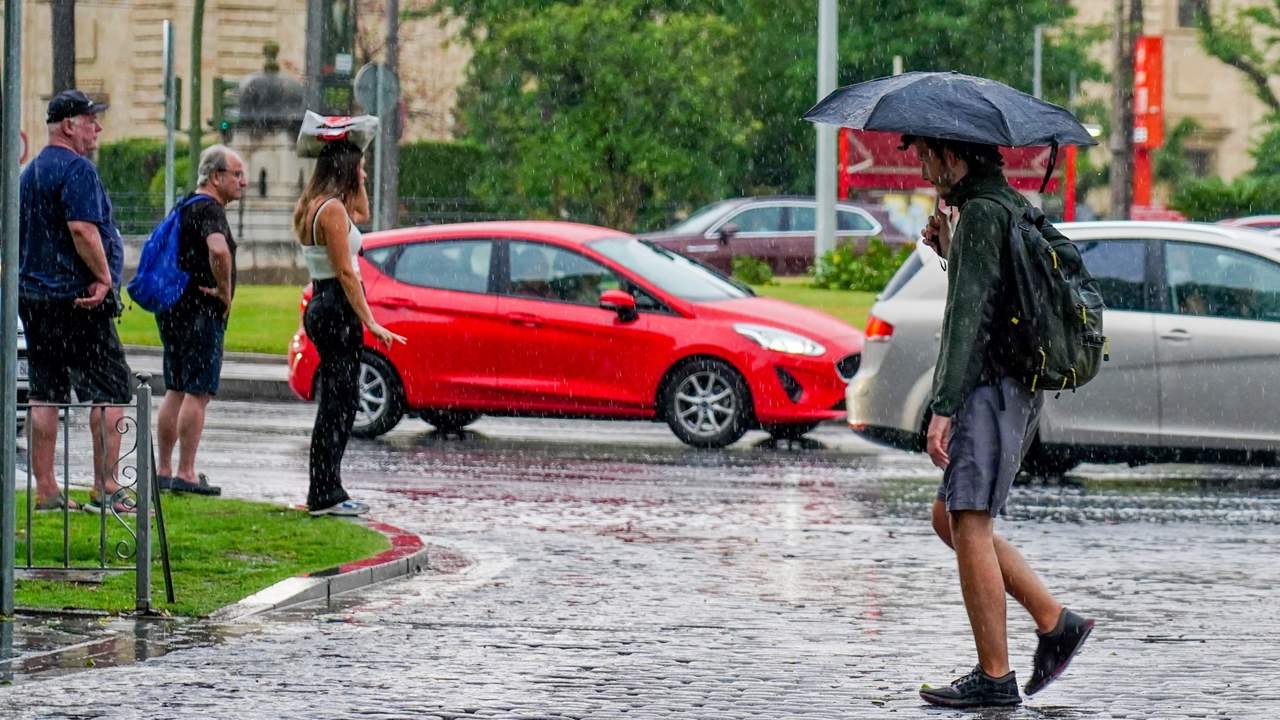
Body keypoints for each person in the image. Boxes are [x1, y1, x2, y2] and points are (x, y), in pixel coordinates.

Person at [906, 134, 1095, 708]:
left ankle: (995, 677)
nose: (921, 165)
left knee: (968, 520)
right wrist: (949, 247)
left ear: (953, 156)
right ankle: (1053, 620)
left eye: (926, 154)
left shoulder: (984, 213)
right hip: (1009, 384)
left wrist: (943, 407)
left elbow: (970, 318)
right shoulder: (1001, 206)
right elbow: (996, 291)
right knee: (952, 517)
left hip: (992, 386)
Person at [18, 89, 133, 513]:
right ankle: (107, 485)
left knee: (45, 394)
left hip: (35, 299)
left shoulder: (28, 174)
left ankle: (46, 491)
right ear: (68, 125)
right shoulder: (77, 169)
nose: (97, 128)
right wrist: (104, 277)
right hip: (78, 299)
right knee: (110, 392)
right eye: (90, 121)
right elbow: (83, 230)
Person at [293, 136, 404, 516]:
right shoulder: (332, 211)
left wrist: (358, 181)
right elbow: (345, 271)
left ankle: (326, 488)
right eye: (361, 167)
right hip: (335, 306)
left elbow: (364, 212)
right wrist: (370, 319)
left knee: (338, 403)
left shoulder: (314, 205)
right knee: (338, 406)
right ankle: (326, 492)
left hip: (324, 304)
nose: (365, 173)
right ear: (346, 171)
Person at [154, 145, 248, 496]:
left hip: (173, 308)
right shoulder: (211, 209)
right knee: (198, 392)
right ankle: (187, 472)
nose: (244, 182)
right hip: (201, 309)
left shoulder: (186, 203)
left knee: (175, 388)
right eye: (236, 174)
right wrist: (224, 290)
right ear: (216, 177)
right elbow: (218, 249)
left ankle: (163, 469)